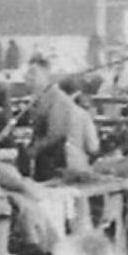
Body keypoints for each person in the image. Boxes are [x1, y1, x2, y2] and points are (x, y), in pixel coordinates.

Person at [22, 55, 98, 183]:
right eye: (28, 73)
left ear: (46, 75)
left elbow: (56, 133)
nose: (28, 77)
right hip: (47, 163)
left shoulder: (57, 99)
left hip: (61, 166)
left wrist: (33, 149)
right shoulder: (39, 98)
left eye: (33, 73)